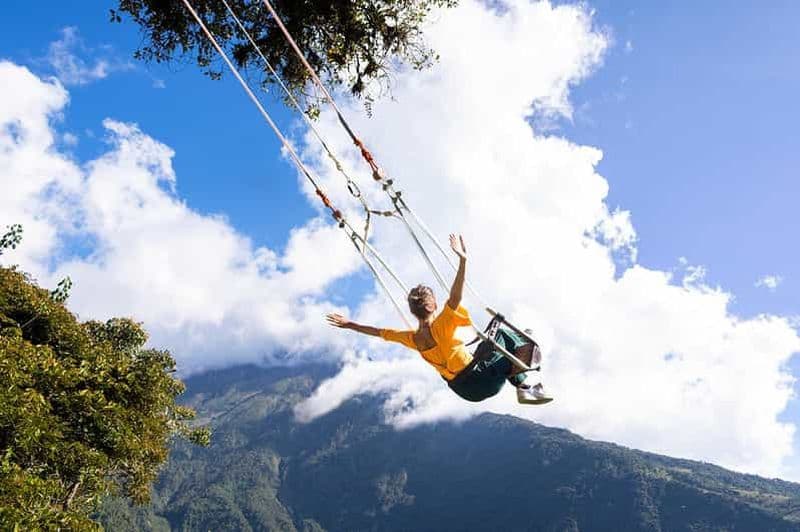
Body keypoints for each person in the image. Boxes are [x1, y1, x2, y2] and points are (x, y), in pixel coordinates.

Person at [326, 234, 552, 405]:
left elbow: (378, 332)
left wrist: (350, 324)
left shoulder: (412, 339)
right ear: (433, 305)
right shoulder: (443, 324)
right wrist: (463, 261)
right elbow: (455, 296)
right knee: (503, 335)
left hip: (464, 391)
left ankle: (522, 384)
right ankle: (524, 385)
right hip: (479, 380)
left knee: (488, 347)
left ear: (413, 312)